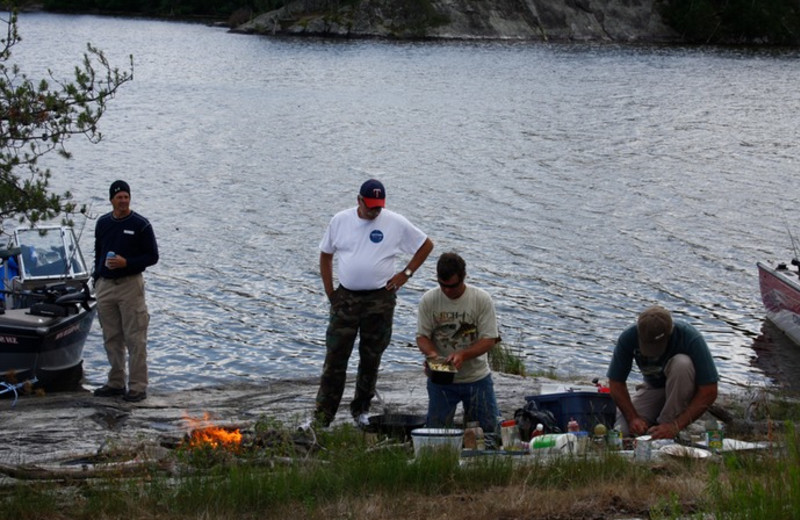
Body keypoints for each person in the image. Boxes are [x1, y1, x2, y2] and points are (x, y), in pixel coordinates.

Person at [315, 179, 434, 427]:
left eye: (378, 207)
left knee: (371, 357)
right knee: (336, 357)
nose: (374, 212)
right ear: (359, 200)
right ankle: (322, 417)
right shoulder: (340, 221)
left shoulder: (395, 222)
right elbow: (326, 255)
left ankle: (361, 410)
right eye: (370, 207)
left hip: (380, 299)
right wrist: (331, 293)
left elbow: (426, 245)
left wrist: (406, 274)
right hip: (345, 298)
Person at [416, 252, 500, 448]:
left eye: (452, 286)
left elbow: (489, 339)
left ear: (464, 277)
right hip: (441, 381)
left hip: (477, 379)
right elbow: (422, 337)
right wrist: (433, 356)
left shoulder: (481, 299)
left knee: (490, 434)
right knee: (435, 436)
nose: (446, 290)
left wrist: (463, 354)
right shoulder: (429, 300)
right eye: (442, 285)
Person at [606, 305, 719, 440]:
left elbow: (709, 391)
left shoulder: (690, 337)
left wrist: (674, 426)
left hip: (683, 390)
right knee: (623, 432)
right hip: (653, 388)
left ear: (670, 332)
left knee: (682, 363)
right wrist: (633, 418)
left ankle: (666, 425)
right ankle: (655, 426)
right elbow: (616, 383)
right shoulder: (628, 337)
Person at [93, 180, 159, 403]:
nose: (123, 201)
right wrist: (97, 279)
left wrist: (127, 263)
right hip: (106, 286)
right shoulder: (103, 223)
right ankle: (115, 382)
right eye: (119, 197)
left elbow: (152, 257)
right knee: (111, 337)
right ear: (111, 199)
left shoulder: (141, 224)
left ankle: (138, 387)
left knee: (135, 337)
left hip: (130, 285)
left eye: (126, 197)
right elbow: (98, 252)